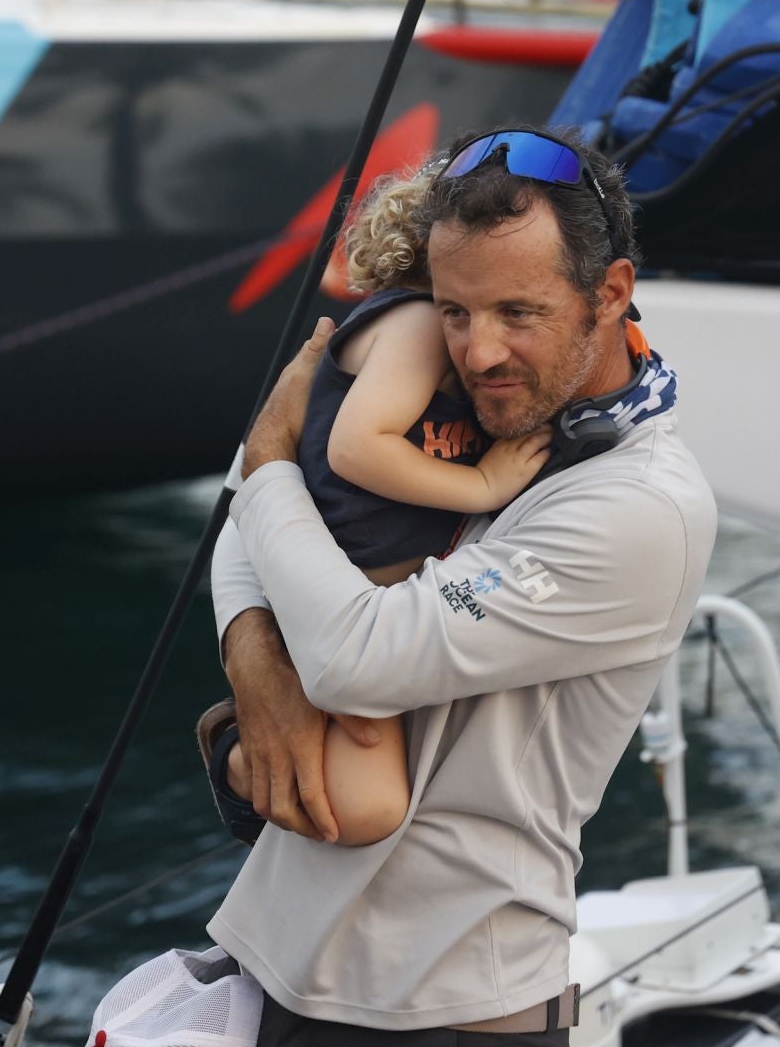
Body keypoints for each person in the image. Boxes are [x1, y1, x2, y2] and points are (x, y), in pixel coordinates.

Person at [208, 125, 716, 1047]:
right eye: (453, 311)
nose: (479, 351)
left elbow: (356, 655)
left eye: (519, 312)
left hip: (443, 1030)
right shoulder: (464, 413)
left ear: (610, 293)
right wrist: (254, 655)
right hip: (297, 983)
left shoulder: (639, 507)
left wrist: (274, 464)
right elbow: (248, 528)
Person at [198, 167, 553, 848]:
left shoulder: (446, 342)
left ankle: (259, 741)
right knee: (365, 814)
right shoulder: (415, 323)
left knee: (367, 807)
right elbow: (357, 449)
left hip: (379, 623)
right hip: (334, 599)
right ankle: (234, 756)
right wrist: (483, 486)